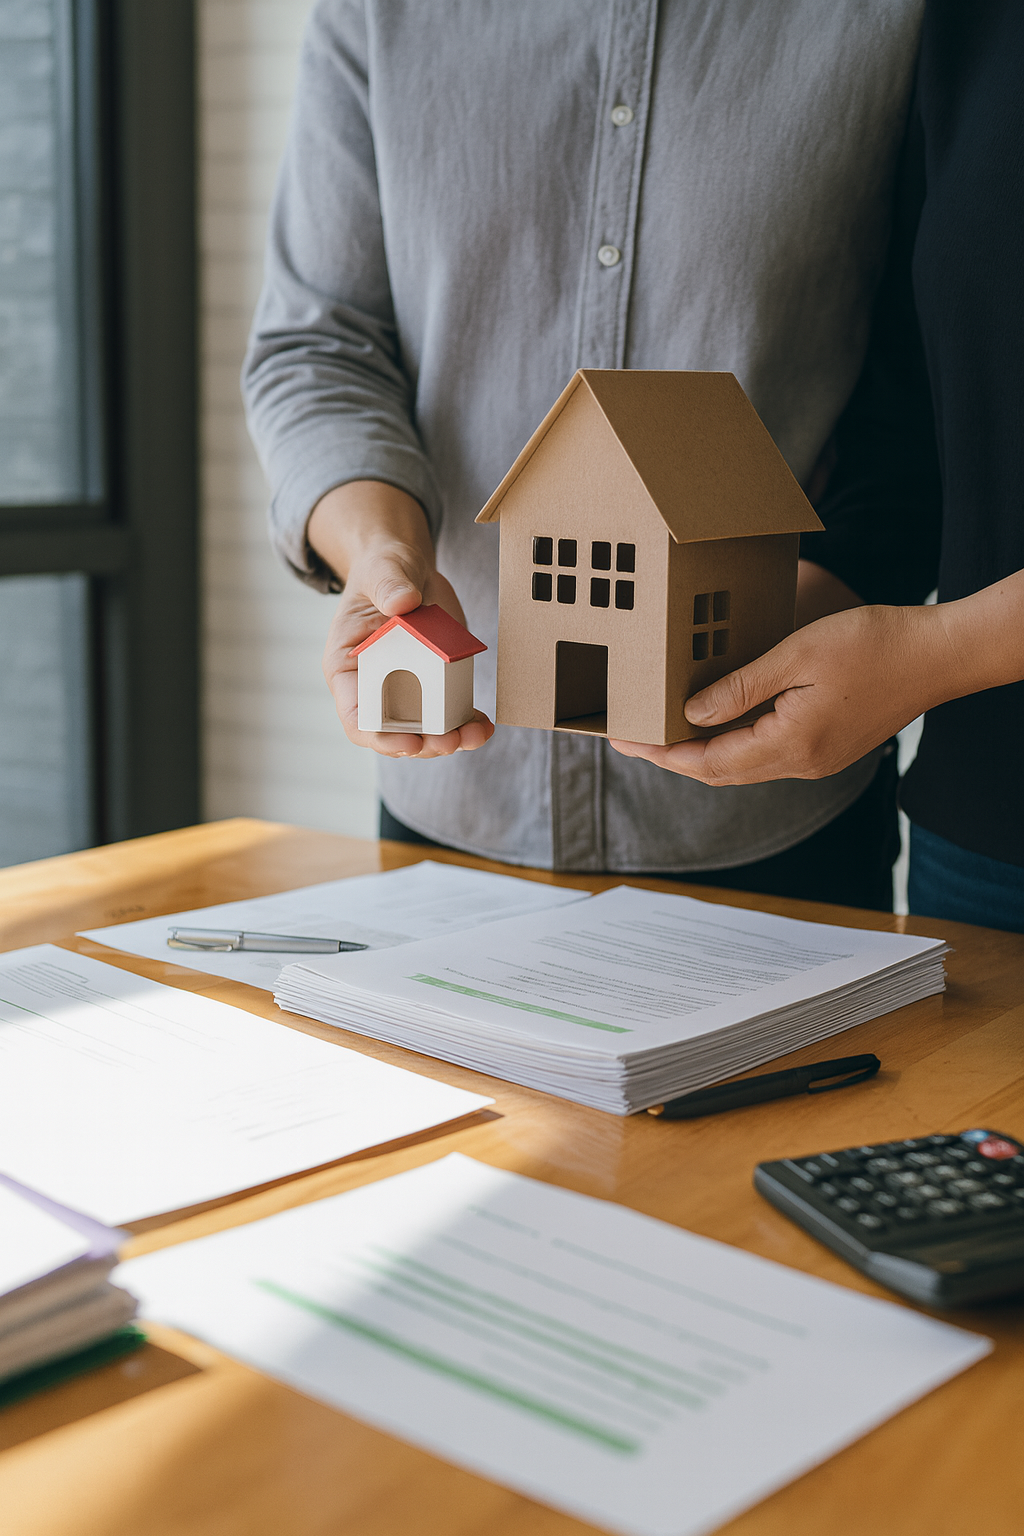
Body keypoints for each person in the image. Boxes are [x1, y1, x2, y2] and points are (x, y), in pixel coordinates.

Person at [243, 0, 926, 908]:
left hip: (778, 805)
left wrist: (814, 594)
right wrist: (383, 556)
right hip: (451, 814)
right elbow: (318, 344)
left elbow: (933, 379)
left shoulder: (895, 19)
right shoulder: (378, 13)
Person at [616, 0, 1024, 931]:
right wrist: (798, 599)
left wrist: (939, 653)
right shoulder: (971, 22)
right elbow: (922, 408)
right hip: (982, 829)